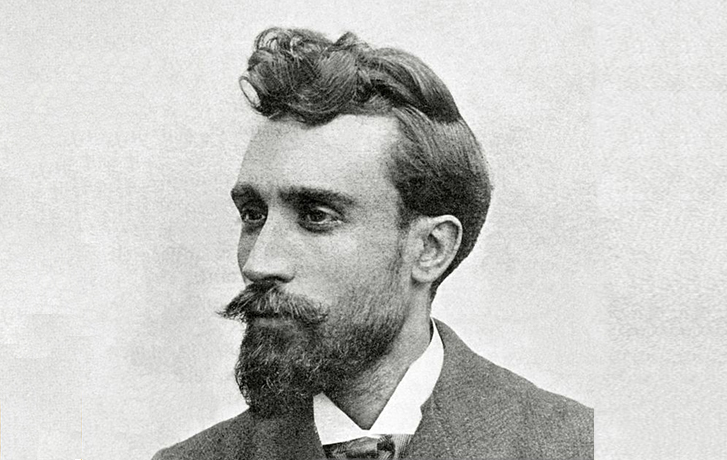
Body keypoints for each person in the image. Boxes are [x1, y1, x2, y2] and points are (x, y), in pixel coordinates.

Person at [154, 27, 593, 460]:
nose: (258, 263)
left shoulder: (574, 447)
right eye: (254, 215)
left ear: (431, 249)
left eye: (316, 216)